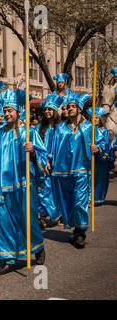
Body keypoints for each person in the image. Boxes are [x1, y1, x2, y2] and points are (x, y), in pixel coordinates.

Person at [0, 89, 47, 275]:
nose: (6, 114)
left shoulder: (29, 132)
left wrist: (33, 153)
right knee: (3, 221)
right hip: (2, 185)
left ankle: (37, 246)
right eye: (4, 111)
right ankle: (9, 259)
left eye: (10, 111)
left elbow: (43, 158)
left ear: (18, 112)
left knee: (27, 219)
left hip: (23, 184)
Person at [48, 93, 107, 248]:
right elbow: (54, 147)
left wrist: (97, 148)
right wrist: (50, 160)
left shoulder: (89, 127)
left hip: (82, 170)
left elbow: (102, 143)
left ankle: (80, 232)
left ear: (80, 109)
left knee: (80, 201)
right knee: (68, 202)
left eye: (73, 106)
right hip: (63, 171)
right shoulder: (60, 128)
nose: (70, 109)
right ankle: (74, 228)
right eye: (68, 107)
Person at [36, 94, 64, 227]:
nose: (47, 112)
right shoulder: (39, 129)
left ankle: (58, 213)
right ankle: (42, 216)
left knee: (56, 189)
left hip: (57, 163)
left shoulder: (61, 128)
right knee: (43, 189)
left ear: (54, 111)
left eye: (49, 109)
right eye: (45, 110)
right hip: (42, 164)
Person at [86, 106, 112, 205]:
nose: (94, 119)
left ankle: (97, 198)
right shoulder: (87, 129)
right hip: (88, 158)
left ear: (100, 119)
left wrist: (98, 149)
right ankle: (89, 198)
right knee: (88, 178)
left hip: (100, 160)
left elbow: (105, 144)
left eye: (97, 117)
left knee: (98, 179)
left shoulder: (104, 131)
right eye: (93, 117)